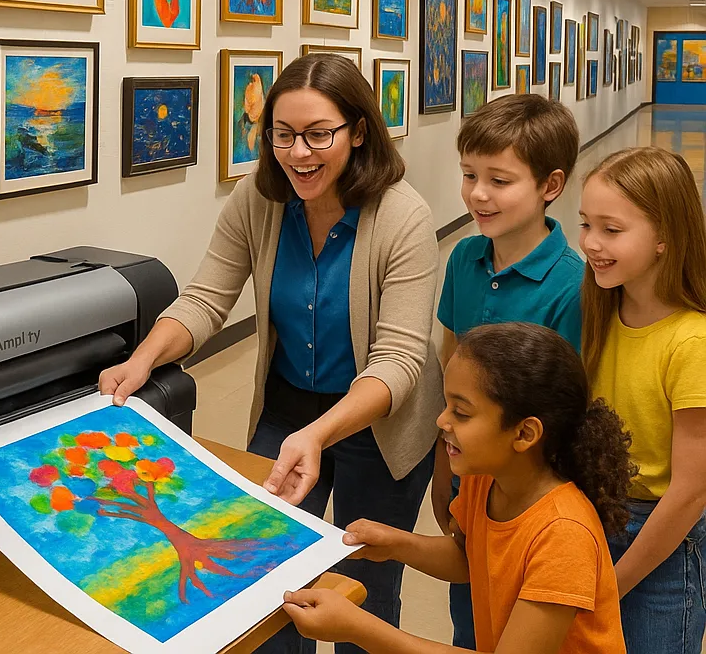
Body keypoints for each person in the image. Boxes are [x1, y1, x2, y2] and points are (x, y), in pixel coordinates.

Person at [99, 53, 443, 653]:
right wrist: (143, 359)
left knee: (363, 589)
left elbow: (399, 362)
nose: (298, 154)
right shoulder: (257, 201)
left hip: (380, 425)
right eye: (283, 135)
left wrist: (321, 433)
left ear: (358, 132)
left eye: (318, 135)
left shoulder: (402, 215)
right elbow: (206, 300)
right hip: (287, 412)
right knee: (264, 580)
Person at [283, 321, 633, 654]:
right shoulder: (485, 476)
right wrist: (395, 544)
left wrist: (358, 628)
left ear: (525, 434)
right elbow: (471, 559)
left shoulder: (564, 535)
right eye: (446, 404)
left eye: (461, 413)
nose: (441, 420)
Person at [432, 94, 584, 649]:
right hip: (470, 483)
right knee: (470, 617)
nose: (477, 193)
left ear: (551, 185)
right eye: (470, 175)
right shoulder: (462, 259)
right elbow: (448, 373)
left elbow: (569, 413)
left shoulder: (572, 285)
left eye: (500, 180)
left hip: (531, 502)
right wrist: (442, 467)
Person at [579, 147, 706, 654]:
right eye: (586, 224)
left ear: (664, 239)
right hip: (595, 520)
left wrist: (614, 581)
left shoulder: (691, 342)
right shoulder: (598, 313)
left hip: (664, 543)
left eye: (612, 230)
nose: (590, 243)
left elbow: (690, 494)